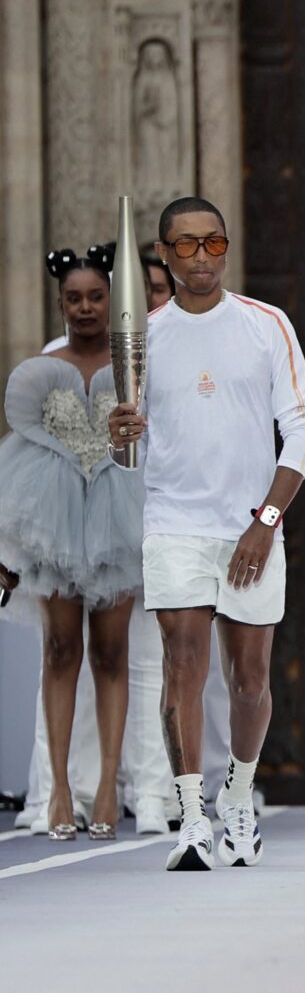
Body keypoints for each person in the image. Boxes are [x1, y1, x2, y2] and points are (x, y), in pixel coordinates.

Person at [108, 196, 305, 871]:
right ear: (164, 256)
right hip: (175, 522)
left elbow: (303, 427)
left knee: (250, 678)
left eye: (215, 242)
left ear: (227, 248)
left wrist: (266, 521)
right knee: (183, 662)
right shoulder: (146, 334)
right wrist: (119, 439)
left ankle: (239, 795)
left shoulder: (266, 325)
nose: (203, 257)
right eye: (187, 245)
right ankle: (192, 818)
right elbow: (129, 445)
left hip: (249, 525)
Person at [0, 246, 145, 840]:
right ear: (61, 303)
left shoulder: (133, 363)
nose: (85, 307)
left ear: (111, 301)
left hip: (116, 523)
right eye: (74, 298)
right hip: (55, 529)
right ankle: (60, 788)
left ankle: (108, 783)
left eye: (95, 297)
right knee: (61, 651)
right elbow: (25, 445)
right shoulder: (44, 367)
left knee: (111, 655)